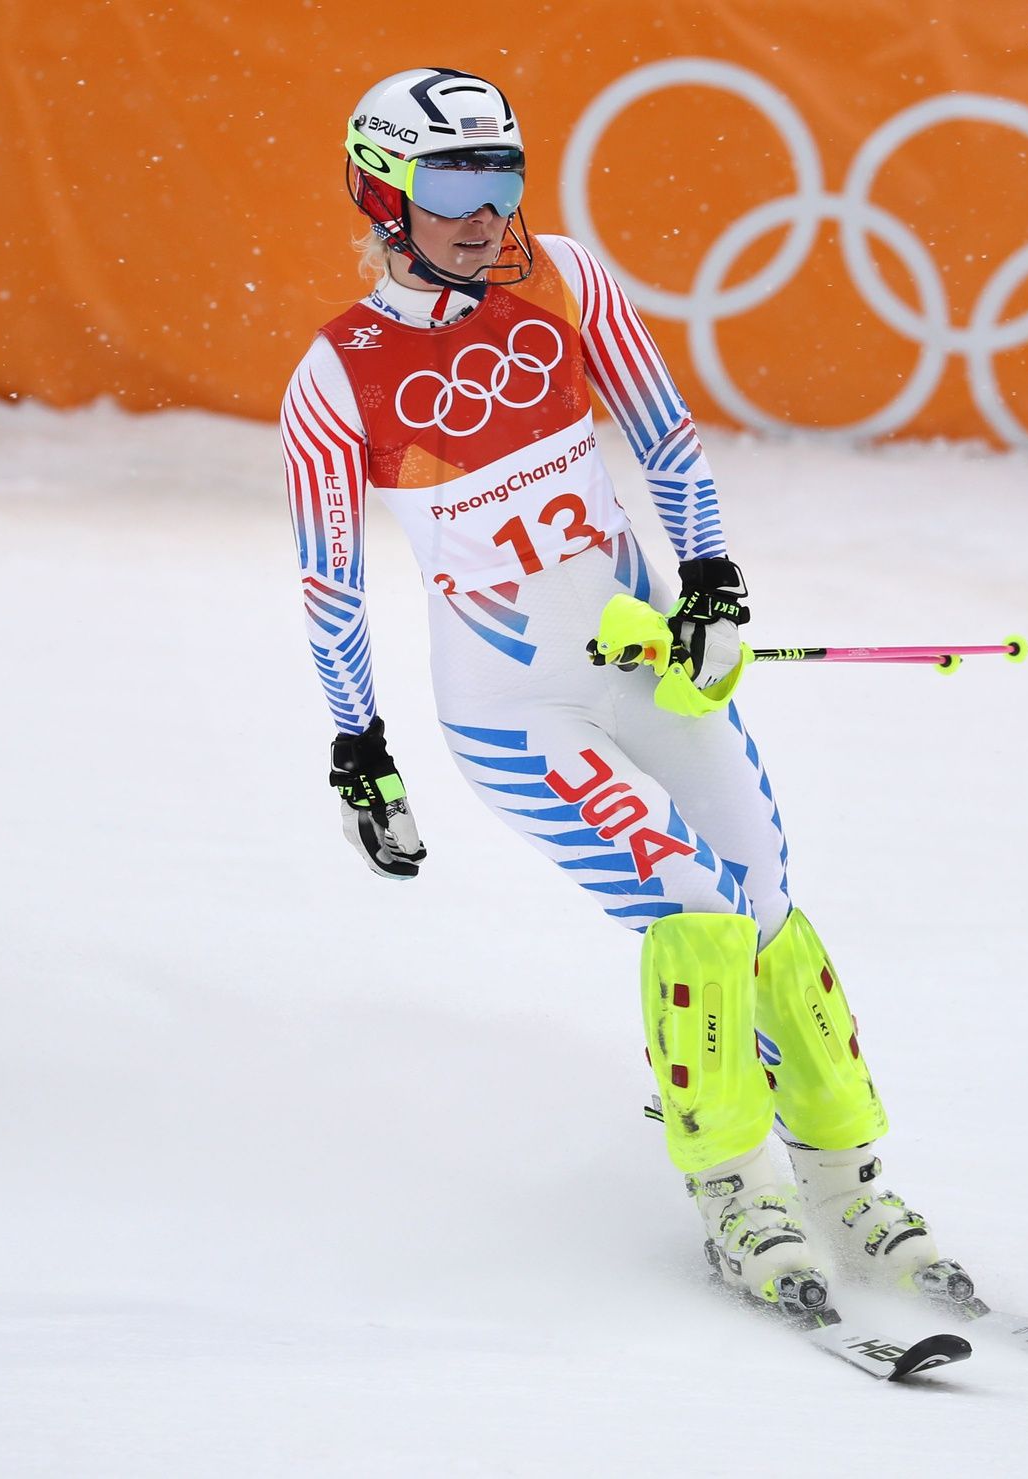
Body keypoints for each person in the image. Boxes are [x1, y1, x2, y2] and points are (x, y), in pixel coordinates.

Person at [281, 66, 976, 1317]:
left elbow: (663, 438)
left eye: (502, 178)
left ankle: (846, 1183)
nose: (485, 215)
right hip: (515, 714)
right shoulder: (337, 375)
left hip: (648, 661)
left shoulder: (563, 278)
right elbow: (332, 587)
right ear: (381, 194)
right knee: (696, 914)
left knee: (766, 915)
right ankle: (736, 1192)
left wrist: (708, 580)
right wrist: (358, 751)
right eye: (451, 185)